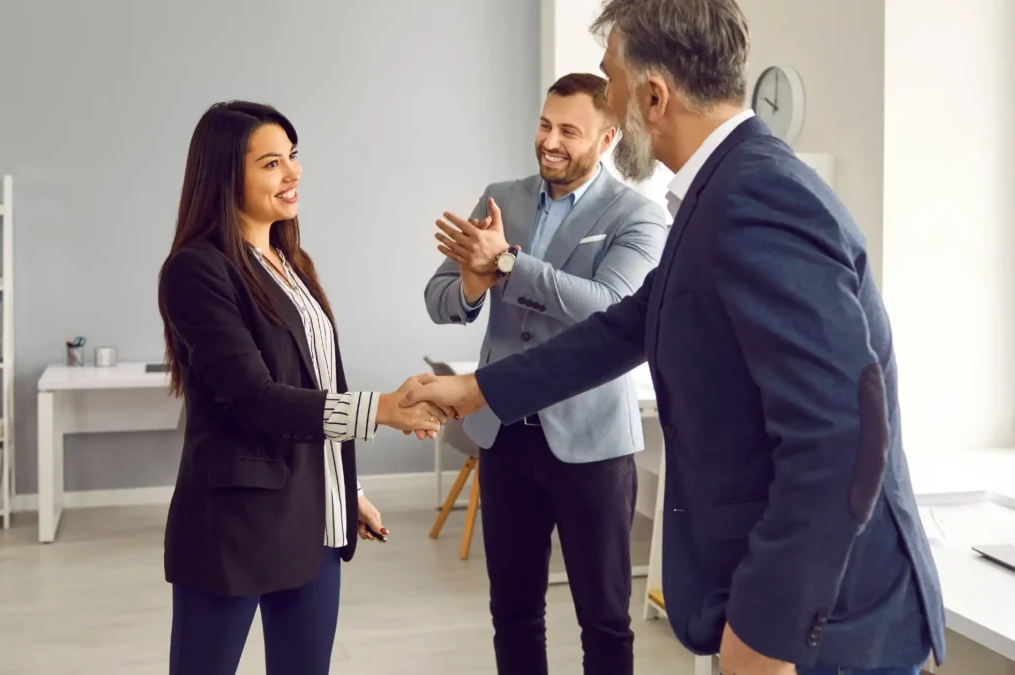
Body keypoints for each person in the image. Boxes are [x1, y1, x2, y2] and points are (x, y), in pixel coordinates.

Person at [402, 1, 947, 674]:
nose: (610, 96)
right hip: (806, 609)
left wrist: (768, 628)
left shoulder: (756, 195)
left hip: (828, 624)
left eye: (613, 79)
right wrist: (477, 389)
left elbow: (842, 434)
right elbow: (628, 326)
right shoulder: (721, 187)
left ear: (654, 96)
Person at [157, 100, 451, 675]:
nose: (293, 173)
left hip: (314, 521)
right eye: (271, 163)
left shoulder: (291, 262)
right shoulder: (197, 270)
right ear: (225, 175)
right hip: (233, 528)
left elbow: (315, 384)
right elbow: (255, 399)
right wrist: (383, 409)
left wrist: (345, 489)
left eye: (292, 156)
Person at [425, 72, 669, 675]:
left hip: (593, 442)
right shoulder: (500, 199)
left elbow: (610, 310)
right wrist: (472, 284)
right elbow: (439, 299)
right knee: (512, 612)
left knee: (604, 621)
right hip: (503, 433)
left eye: (569, 131)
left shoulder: (639, 216)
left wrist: (509, 263)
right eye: (544, 124)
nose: (550, 141)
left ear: (607, 138)